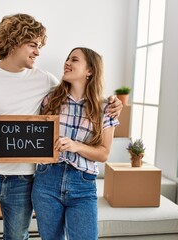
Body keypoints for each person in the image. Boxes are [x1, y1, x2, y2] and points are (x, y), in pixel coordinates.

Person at [0, 13, 122, 240]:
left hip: (24, 179)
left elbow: (81, 95)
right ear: (14, 41)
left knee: (18, 237)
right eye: (33, 45)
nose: (38, 52)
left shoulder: (46, 81)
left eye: (39, 46)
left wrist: (114, 103)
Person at [31, 47, 119, 240]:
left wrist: (75, 146)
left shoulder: (106, 108)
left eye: (74, 60)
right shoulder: (50, 100)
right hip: (47, 181)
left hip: (83, 184)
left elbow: (103, 154)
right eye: (67, 59)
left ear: (90, 71)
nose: (67, 63)